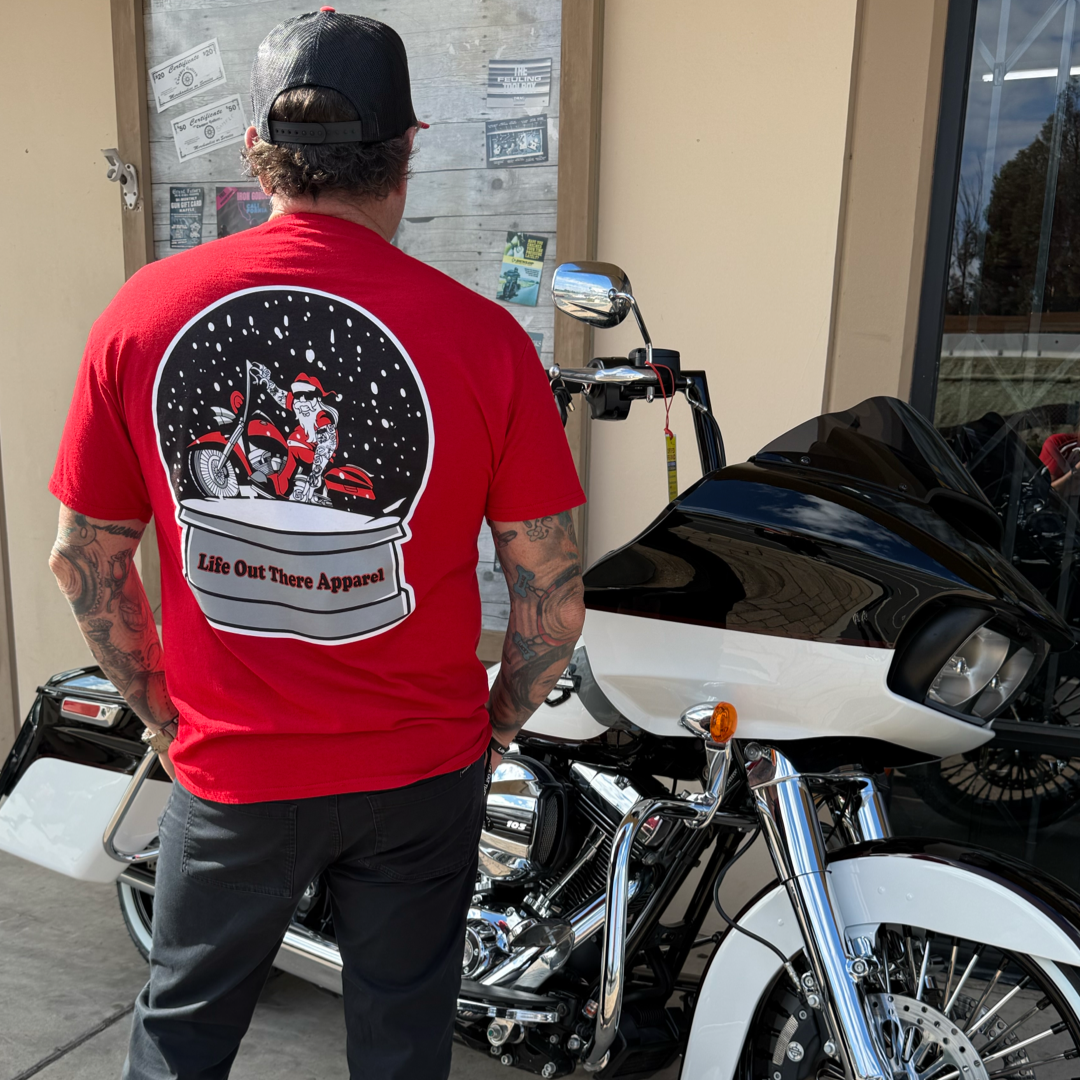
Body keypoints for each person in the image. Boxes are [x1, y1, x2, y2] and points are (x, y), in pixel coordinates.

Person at [47, 10, 585, 1079]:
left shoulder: (142, 314)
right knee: (400, 1043)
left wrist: (163, 716)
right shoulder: (485, 338)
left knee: (184, 1036)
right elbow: (553, 597)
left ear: (256, 152)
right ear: (409, 150)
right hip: (421, 767)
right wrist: (497, 726)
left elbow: (84, 562)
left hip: (233, 766)